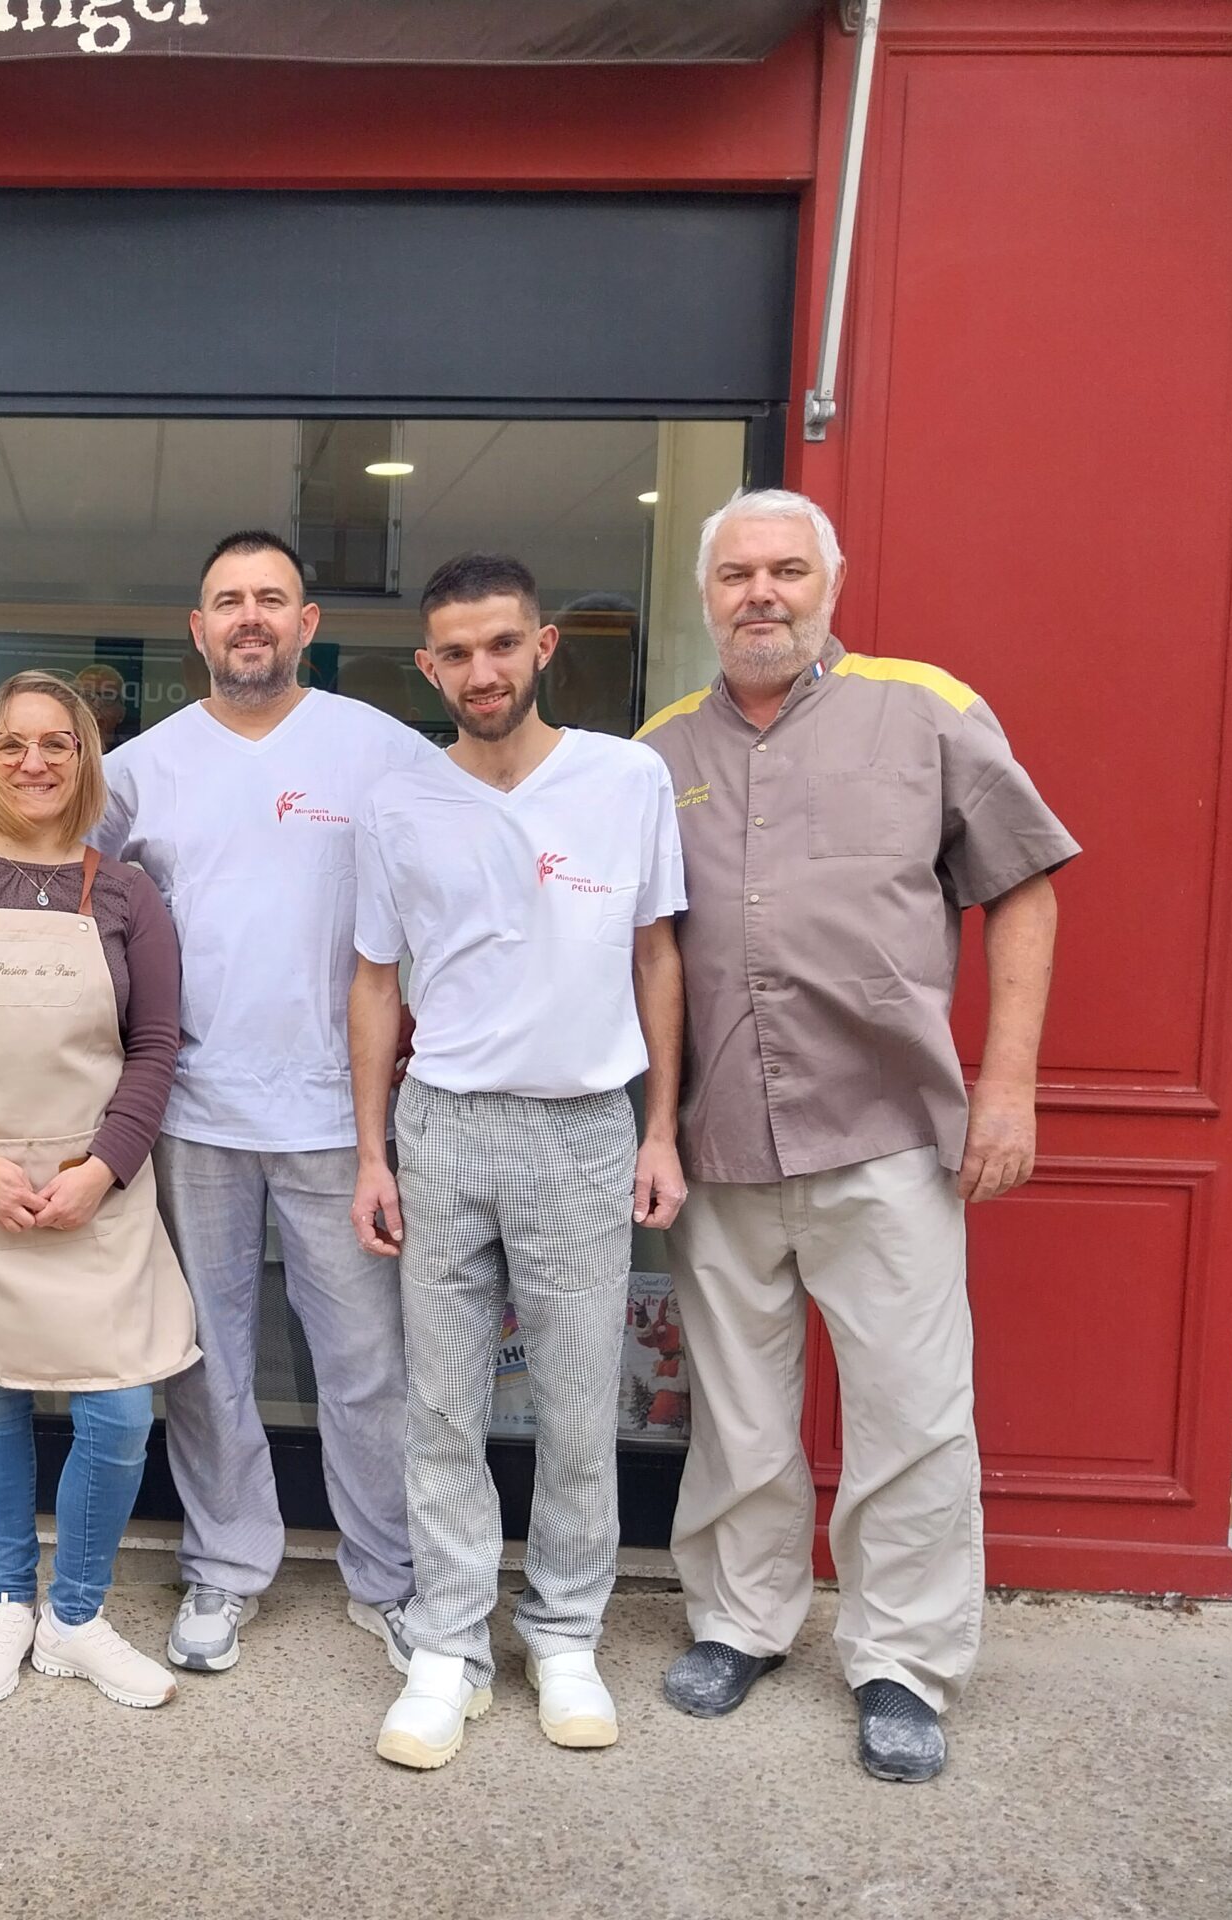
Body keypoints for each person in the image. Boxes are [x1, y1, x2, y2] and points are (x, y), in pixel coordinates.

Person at [637, 488, 1076, 1783]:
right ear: (707, 595)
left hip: (885, 1137)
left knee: (912, 1415)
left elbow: (1027, 886)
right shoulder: (660, 751)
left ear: (830, 581)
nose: (759, 594)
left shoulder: (925, 709)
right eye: (735, 575)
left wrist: (1009, 1085)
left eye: (784, 571)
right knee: (738, 1415)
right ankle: (741, 1621)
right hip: (719, 1142)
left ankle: (902, 1662)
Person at [348, 552, 688, 1770]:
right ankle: (446, 1644)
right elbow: (375, 982)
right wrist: (372, 1149)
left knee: (578, 1402)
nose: (479, 670)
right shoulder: (398, 799)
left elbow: (657, 955)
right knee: (438, 1405)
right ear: (428, 666)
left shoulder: (624, 778)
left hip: (583, 1123)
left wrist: (659, 1126)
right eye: (455, 652)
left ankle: (563, 1634)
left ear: (542, 648)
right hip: (441, 1121)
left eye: (502, 644)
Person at [96, 529, 427, 1677]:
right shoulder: (139, 768)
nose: (248, 617)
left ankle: (386, 1579)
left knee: (367, 1365)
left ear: (306, 625)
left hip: (344, 1119)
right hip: (192, 1109)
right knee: (205, 1359)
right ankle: (226, 1567)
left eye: (270, 599)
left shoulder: (383, 754)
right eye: (226, 599)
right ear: (197, 630)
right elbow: (59, 895)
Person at [0, 670, 199, 1711]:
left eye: (54, 743)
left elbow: (154, 1050)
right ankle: (9, 1599)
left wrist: (101, 1170)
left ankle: (75, 1617)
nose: (32, 762)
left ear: (82, 759)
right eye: (10, 743)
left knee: (116, 1412)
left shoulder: (126, 895)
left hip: (97, 1189)